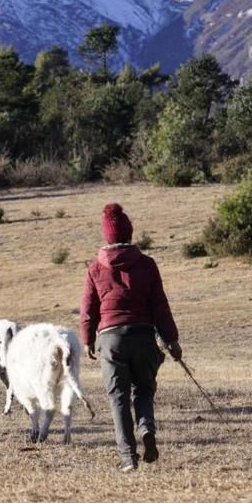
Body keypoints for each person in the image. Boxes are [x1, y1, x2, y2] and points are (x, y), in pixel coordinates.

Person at [80, 202, 182, 472]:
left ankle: (128, 458)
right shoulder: (147, 264)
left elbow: (88, 309)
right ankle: (147, 428)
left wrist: (87, 340)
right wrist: (172, 341)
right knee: (144, 390)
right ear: (130, 233)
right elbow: (160, 305)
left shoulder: (95, 269)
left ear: (107, 236)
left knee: (118, 398)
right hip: (143, 336)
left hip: (111, 340)